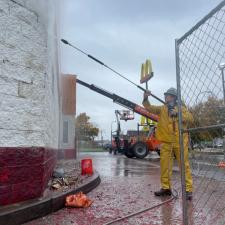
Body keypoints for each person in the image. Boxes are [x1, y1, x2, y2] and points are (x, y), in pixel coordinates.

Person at [143, 88, 193, 200]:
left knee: (184, 165)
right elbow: (149, 108)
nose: (165, 97)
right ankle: (166, 188)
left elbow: (191, 118)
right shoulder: (162, 109)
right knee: (165, 166)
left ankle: (188, 190)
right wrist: (146, 98)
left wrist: (178, 114)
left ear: (174, 97)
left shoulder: (182, 108)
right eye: (165, 95)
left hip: (180, 141)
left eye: (168, 96)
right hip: (166, 142)